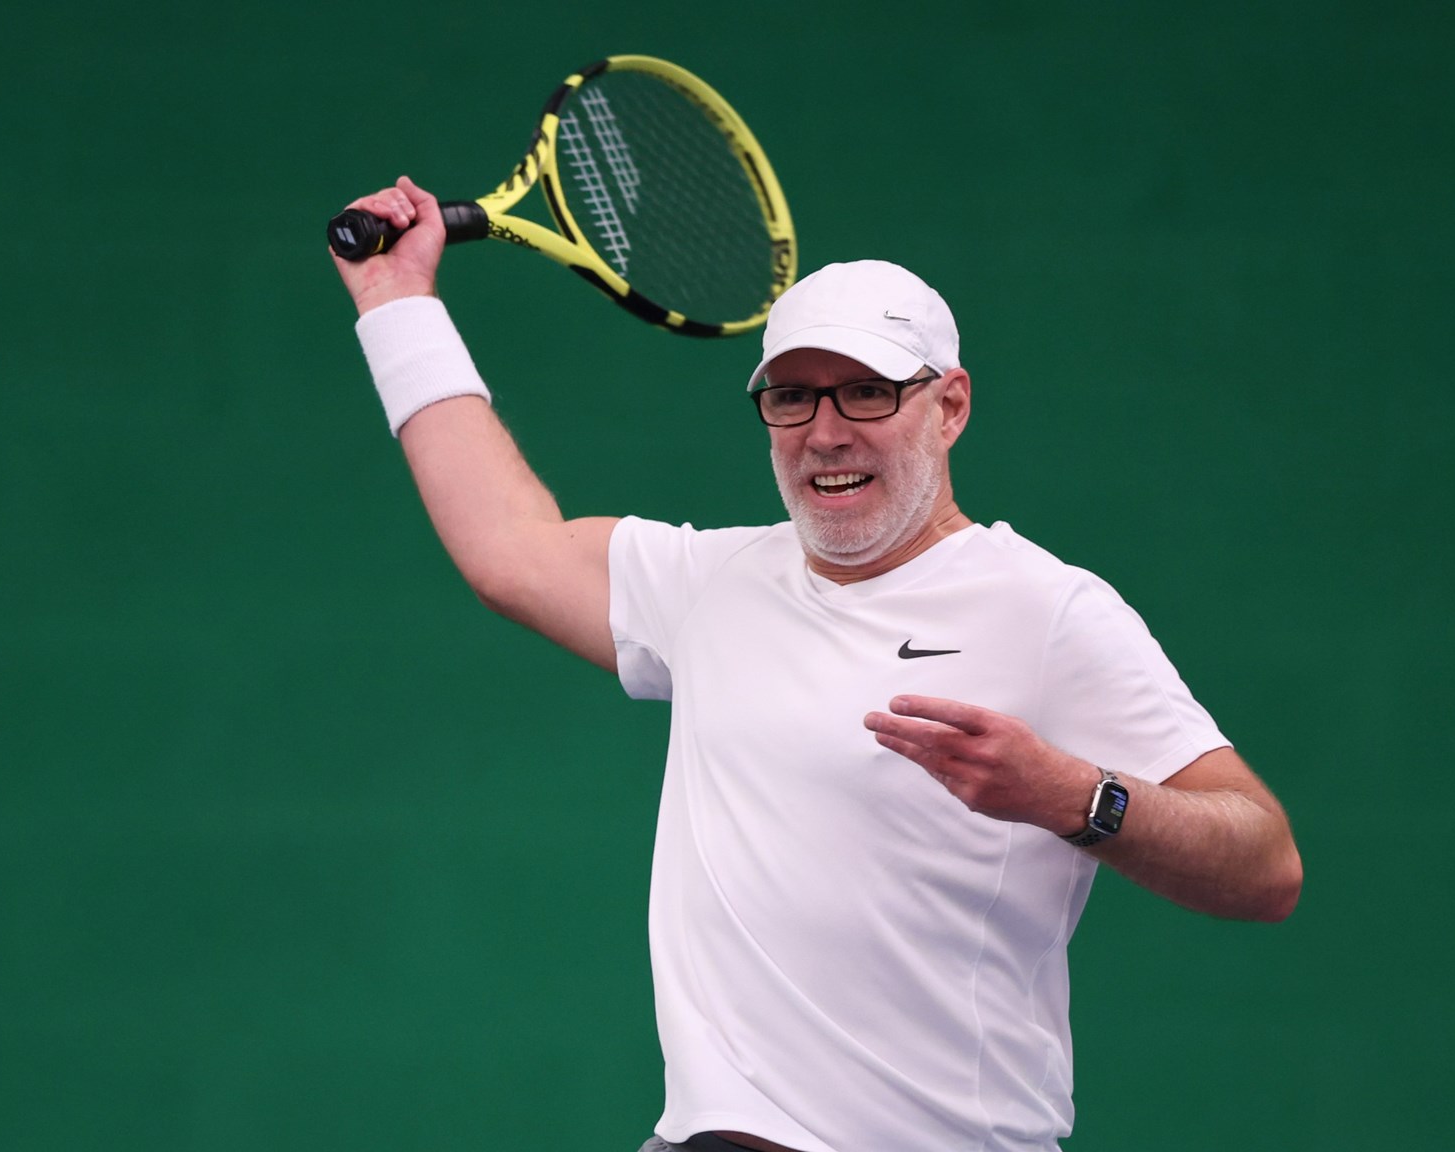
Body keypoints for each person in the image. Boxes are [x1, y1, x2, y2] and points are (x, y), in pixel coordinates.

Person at [332, 176, 1303, 1152]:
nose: (826, 432)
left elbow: (1265, 865)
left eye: (867, 392)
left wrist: (1071, 795)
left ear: (949, 406)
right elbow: (508, 549)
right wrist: (395, 302)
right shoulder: (709, 583)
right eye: (792, 397)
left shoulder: (1048, 611)